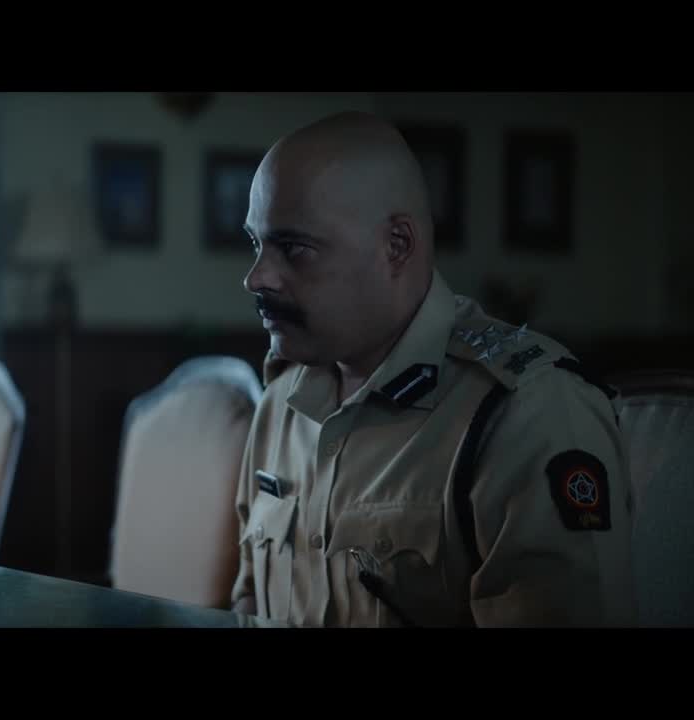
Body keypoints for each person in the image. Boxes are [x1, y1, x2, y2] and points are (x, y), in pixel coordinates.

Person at [230, 112, 637, 627]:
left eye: (294, 249)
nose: (257, 277)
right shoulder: (280, 405)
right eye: (256, 244)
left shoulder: (528, 413)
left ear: (397, 246)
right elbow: (247, 606)